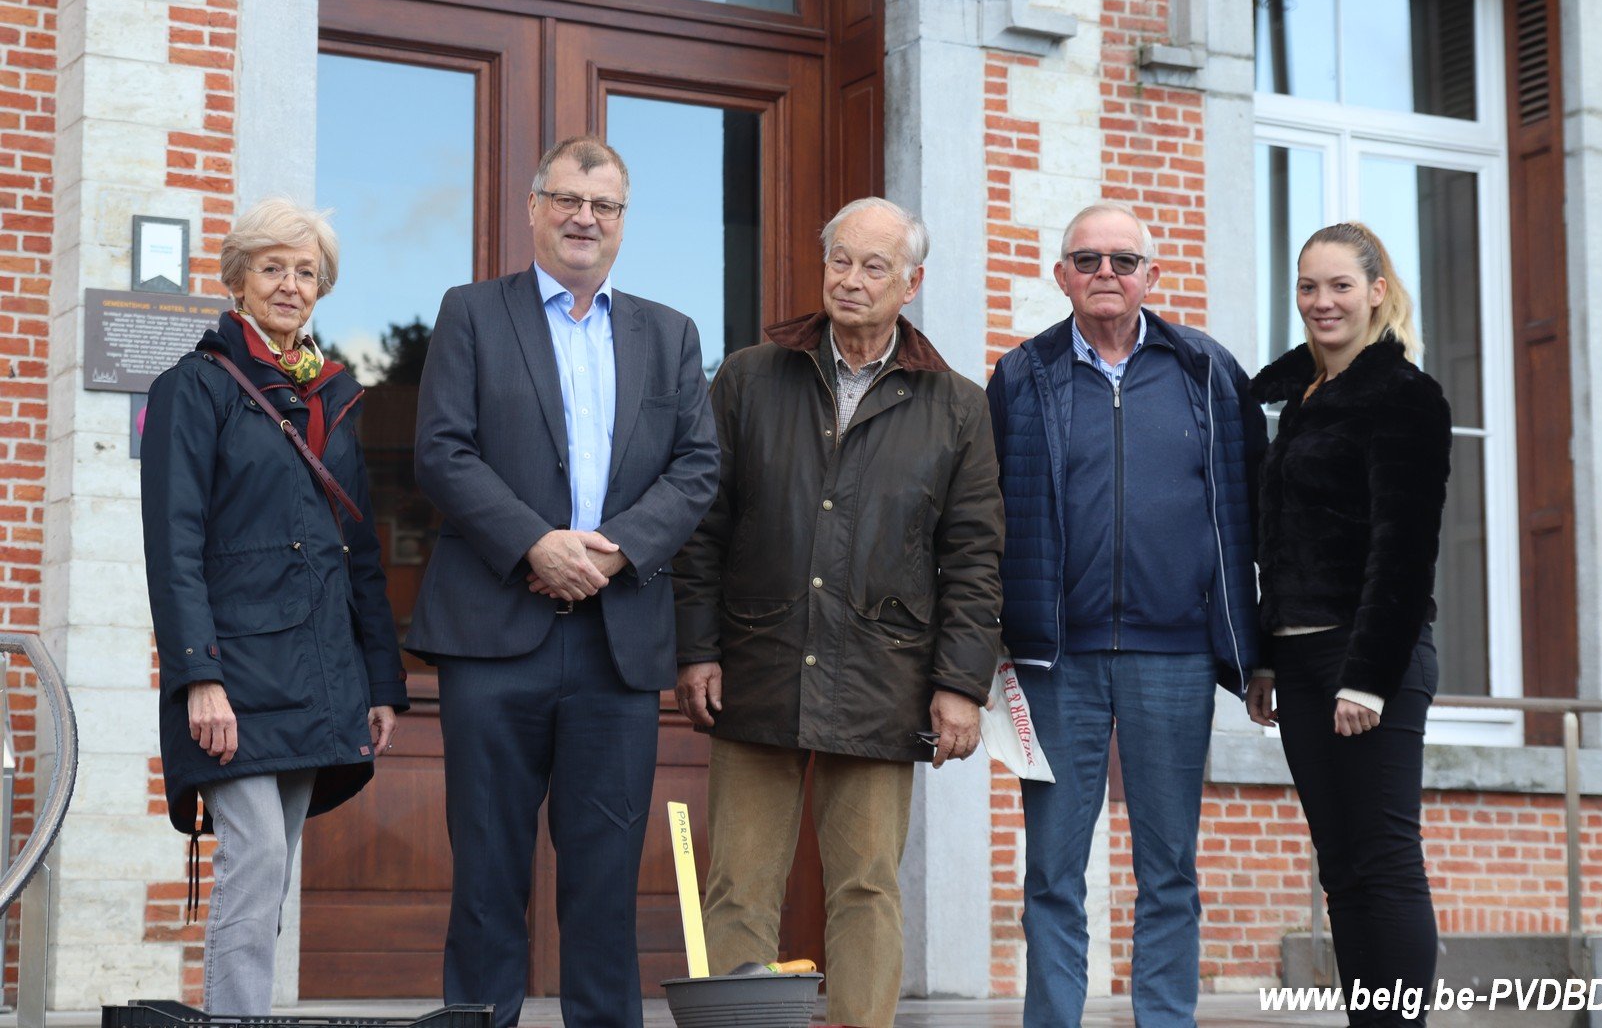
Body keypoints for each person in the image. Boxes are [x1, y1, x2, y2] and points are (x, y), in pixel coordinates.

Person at [405, 135, 719, 1028]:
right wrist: (536, 543)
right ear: (535, 208)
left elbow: (697, 467)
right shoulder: (471, 313)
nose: (586, 219)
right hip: (494, 636)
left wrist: (613, 549)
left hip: (617, 647)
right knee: (487, 872)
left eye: (605, 206)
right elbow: (441, 450)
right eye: (569, 200)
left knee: (605, 878)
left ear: (623, 221)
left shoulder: (670, 334)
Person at [673, 197, 1003, 1028]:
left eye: (874, 267)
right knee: (739, 883)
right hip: (757, 659)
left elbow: (973, 557)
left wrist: (961, 683)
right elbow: (703, 525)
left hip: (880, 674)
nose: (851, 281)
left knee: (866, 885)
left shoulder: (957, 405)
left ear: (913, 283)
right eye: (840, 261)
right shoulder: (749, 377)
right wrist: (697, 647)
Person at [986, 202, 1266, 1026]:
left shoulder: (1209, 372)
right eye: (1087, 259)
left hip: (1174, 656)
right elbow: (985, 515)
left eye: (1122, 259)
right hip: (1055, 657)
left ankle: (1165, 1019)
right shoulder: (1019, 376)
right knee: (1052, 871)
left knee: (1170, 868)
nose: (1105, 272)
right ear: (1060, 275)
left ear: (1153, 273)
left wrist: (1257, 652)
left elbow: (1250, 514)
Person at [141, 198, 407, 1015]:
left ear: (320, 289)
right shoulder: (193, 387)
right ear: (238, 279)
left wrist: (380, 681)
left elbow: (359, 552)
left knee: (273, 868)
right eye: (272, 268)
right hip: (235, 672)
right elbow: (173, 545)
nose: (289, 286)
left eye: (305, 272)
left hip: (321, 669)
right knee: (254, 863)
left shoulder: (332, 396)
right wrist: (199, 679)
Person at [1245, 222, 1450, 1026]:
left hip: (1371, 659)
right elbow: (1280, 544)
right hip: (1298, 665)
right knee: (1342, 869)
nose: (1322, 302)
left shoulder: (1404, 396)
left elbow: (1403, 553)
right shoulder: (1298, 399)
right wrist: (1265, 659)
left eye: (1338, 285)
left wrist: (1367, 676)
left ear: (1376, 291)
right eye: (1307, 286)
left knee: (1387, 863)